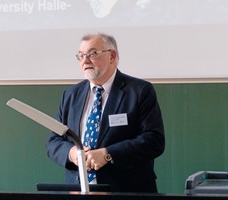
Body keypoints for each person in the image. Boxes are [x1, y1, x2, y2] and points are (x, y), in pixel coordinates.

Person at [47, 33, 165, 193]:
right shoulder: (71, 95)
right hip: (77, 190)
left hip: (125, 190)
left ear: (112, 56)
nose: (85, 60)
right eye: (81, 56)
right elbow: (54, 141)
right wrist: (71, 153)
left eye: (93, 53)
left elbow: (153, 141)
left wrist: (108, 154)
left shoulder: (139, 91)